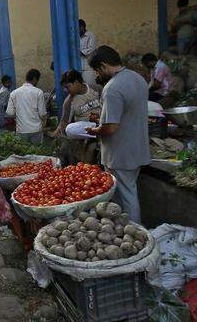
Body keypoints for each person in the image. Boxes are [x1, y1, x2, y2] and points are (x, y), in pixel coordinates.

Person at [86, 46, 151, 222]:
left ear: (104, 65)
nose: (98, 75)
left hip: (120, 153)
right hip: (137, 148)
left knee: (126, 197)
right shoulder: (138, 78)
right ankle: (126, 231)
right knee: (127, 192)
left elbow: (110, 127)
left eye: (97, 70)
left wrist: (94, 130)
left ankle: (135, 233)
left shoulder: (113, 88)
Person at [51, 70, 101, 165]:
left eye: (68, 86)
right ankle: (100, 133)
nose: (66, 90)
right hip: (86, 128)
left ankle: (101, 129)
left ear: (77, 82)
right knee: (70, 129)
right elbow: (64, 122)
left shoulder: (96, 89)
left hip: (102, 121)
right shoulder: (69, 102)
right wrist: (55, 134)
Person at [6, 69, 47, 145]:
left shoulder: (14, 93)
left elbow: (10, 113)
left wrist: (19, 114)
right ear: (35, 79)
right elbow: (42, 114)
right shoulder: (39, 92)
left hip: (22, 130)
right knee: (38, 153)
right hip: (36, 130)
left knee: (24, 154)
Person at [79, 19, 98, 86]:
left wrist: (80, 52)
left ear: (82, 27)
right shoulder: (76, 37)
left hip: (89, 67)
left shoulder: (91, 35)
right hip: (80, 66)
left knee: (90, 85)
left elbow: (92, 49)